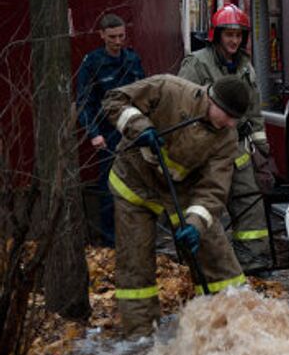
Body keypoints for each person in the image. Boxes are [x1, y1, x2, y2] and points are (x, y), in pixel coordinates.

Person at [102, 74, 250, 337]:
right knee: (135, 264)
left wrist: (195, 225)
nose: (229, 123)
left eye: (235, 119)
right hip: (135, 185)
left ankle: (233, 325)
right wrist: (139, 126)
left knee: (217, 256)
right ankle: (141, 335)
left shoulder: (227, 136)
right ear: (210, 98)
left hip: (181, 191)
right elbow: (115, 99)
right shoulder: (169, 89)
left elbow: (213, 189)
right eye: (226, 114)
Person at [177, 3, 272, 277]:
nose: (234, 40)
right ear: (216, 35)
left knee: (249, 203)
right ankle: (205, 267)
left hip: (239, 148)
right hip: (207, 147)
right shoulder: (197, 63)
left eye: (239, 35)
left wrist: (263, 153)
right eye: (229, 35)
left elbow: (253, 109)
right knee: (207, 204)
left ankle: (254, 263)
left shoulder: (244, 65)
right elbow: (185, 107)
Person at [76, 13, 145, 247]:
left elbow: (144, 94)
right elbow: (85, 102)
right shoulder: (93, 63)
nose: (118, 41)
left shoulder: (132, 60)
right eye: (113, 36)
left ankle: (136, 237)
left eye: (122, 36)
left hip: (132, 133)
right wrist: (94, 134)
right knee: (109, 190)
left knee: (136, 186)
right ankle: (110, 242)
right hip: (107, 135)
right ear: (102, 35)